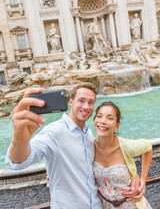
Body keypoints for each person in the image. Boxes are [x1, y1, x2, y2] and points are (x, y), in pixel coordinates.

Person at [6, 83, 145, 209]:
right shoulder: (54, 131)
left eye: (91, 102)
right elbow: (19, 162)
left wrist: (134, 176)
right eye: (81, 101)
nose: (86, 107)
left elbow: (104, 164)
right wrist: (19, 139)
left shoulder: (89, 134)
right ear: (71, 102)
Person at [93, 101, 153, 209]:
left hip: (133, 205)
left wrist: (143, 179)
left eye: (109, 118)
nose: (103, 121)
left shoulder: (126, 146)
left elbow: (148, 147)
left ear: (117, 126)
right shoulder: (89, 147)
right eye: (99, 116)